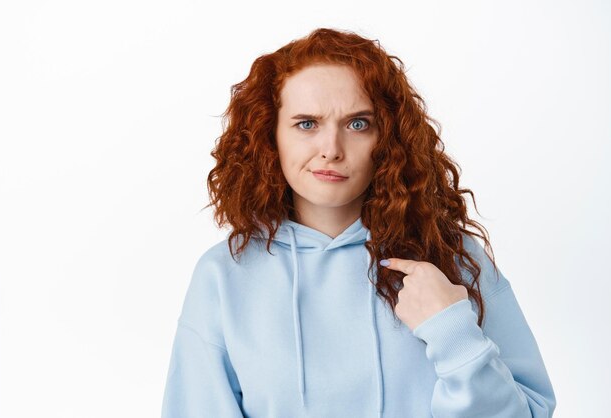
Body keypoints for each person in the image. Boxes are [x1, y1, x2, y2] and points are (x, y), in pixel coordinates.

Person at [160, 28, 556, 418]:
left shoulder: (450, 257)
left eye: (357, 124)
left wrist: (453, 334)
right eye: (306, 124)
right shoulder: (223, 276)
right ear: (271, 136)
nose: (331, 149)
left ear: (388, 139)